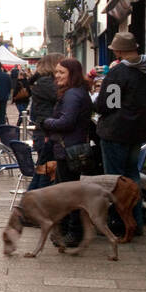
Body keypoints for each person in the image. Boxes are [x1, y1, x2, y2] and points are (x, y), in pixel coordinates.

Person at [95, 31, 146, 234]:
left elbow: (108, 103)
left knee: (115, 180)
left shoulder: (119, 72)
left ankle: (119, 223)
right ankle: (135, 222)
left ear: (119, 51)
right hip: (138, 132)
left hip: (116, 131)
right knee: (133, 177)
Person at [41, 58, 95, 246]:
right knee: (67, 191)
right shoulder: (78, 92)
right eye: (56, 72)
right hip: (71, 147)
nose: (57, 76)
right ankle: (64, 229)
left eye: (61, 73)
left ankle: (73, 233)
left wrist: (46, 122)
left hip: (68, 149)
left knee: (69, 194)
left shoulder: (72, 94)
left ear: (72, 74)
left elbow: (67, 121)